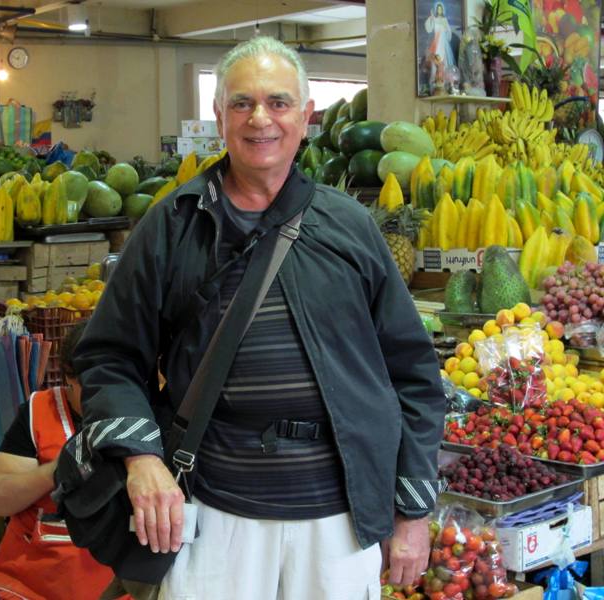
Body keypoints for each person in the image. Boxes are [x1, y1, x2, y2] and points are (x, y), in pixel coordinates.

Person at [73, 36, 445, 599]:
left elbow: (414, 374)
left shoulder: (350, 227)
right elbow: (110, 356)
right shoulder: (172, 226)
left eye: (278, 102)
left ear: (306, 116)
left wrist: (412, 512)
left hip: (339, 519)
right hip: (215, 512)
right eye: (242, 103)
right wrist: (141, 458)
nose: (260, 119)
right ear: (219, 116)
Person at [0, 322, 125, 600]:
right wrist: (54, 471)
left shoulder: (144, 414)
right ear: (69, 377)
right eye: (93, 388)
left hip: (120, 584)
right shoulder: (39, 413)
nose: (106, 397)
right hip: (33, 584)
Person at [425, 2, 457, 69]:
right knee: (435, 58)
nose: (439, 10)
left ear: (442, 10)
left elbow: (449, 32)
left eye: (440, 9)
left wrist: (446, 32)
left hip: (443, 42)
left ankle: (443, 75)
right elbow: (429, 29)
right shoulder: (434, 19)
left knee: (444, 59)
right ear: (436, 10)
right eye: (438, 9)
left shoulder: (444, 20)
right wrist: (431, 17)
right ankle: (435, 76)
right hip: (436, 42)